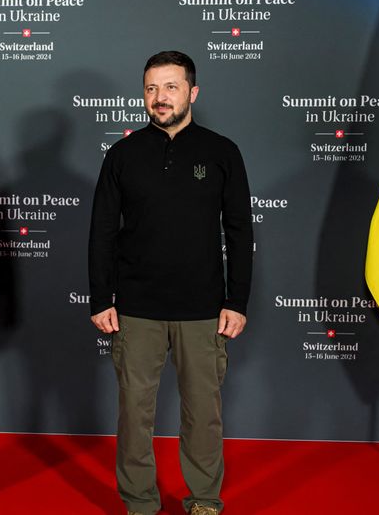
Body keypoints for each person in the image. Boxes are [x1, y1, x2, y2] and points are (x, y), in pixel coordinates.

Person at [87, 51, 252, 515]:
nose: (160, 98)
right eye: (151, 89)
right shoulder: (121, 155)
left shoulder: (222, 152)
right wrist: (102, 298)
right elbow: (101, 232)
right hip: (136, 309)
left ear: (192, 92)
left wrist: (236, 301)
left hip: (203, 310)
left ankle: (203, 499)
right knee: (134, 416)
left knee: (204, 415)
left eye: (171, 87)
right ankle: (139, 503)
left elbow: (240, 231)